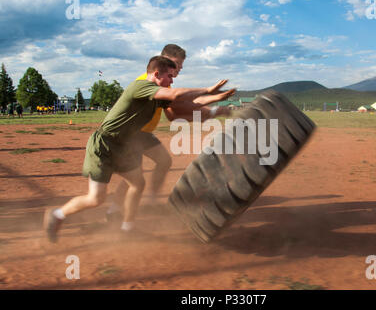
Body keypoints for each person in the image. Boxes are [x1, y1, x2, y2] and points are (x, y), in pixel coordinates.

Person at [43, 55, 235, 243]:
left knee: (137, 183)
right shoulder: (141, 86)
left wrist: (217, 98)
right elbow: (176, 94)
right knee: (96, 199)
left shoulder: (158, 95)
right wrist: (208, 89)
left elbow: (187, 104)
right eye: (169, 76)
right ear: (157, 73)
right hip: (104, 144)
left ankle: (127, 228)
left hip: (124, 146)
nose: (172, 80)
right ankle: (57, 215)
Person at [106, 44, 231, 222]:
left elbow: (174, 112)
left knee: (163, 161)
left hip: (144, 133)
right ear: (166, 60)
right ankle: (116, 211)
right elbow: (177, 108)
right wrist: (212, 107)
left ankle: (149, 200)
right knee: (135, 175)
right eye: (178, 64)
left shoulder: (164, 83)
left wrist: (211, 108)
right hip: (134, 133)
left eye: (181, 65)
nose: (180, 69)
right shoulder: (149, 82)